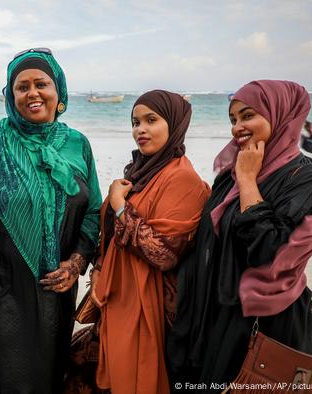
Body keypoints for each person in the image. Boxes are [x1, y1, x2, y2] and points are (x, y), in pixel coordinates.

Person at [0, 48, 102, 393]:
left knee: (51, 376)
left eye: (41, 84)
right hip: (4, 289)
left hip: (59, 289)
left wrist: (76, 263)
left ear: (58, 91)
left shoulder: (77, 145)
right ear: (10, 96)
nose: (32, 93)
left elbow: (92, 212)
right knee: (14, 379)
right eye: (21, 86)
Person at [168, 80, 312, 391]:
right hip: (214, 316)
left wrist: (248, 180)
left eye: (247, 116)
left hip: (265, 328)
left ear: (281, 114)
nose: (237, 127)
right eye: (233, 119)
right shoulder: (228, 176)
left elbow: (272, 255)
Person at [89, 90, 210, 393]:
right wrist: (99, 267)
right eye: (135, 122)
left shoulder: (184, 179)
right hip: (120, 296)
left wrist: (119, 206)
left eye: (151, 120)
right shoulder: (141, 172)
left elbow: (164, 253)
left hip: (150, 305)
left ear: (175, 124)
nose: (140, 130)